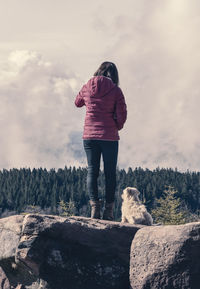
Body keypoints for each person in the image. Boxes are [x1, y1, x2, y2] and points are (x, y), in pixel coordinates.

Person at [75, 61, 127, 220]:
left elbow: (77, 102)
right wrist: (116, 126)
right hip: (109, 136)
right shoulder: (115, 90)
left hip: (89, 136)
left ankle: (94, 208)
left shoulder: (87, 86)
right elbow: (122, 113)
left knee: (92, 171)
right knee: (110, 173)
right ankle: (108, 211)